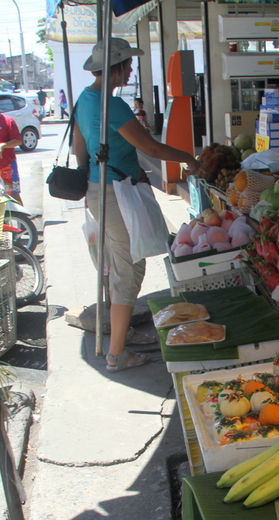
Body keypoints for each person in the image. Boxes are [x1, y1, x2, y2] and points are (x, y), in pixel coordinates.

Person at [72, 37, 199, 373]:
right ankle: (116, 353)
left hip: (99, 189)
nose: (130, 70)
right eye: (126, 65)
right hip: (115, 192)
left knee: (117, 264)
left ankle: (121, 330)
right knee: (128, 269)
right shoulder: (111, 106)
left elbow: (78, 148)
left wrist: (91, 185)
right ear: (113, 68)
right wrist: (188, 158)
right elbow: (151, 149)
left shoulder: (85, 99)